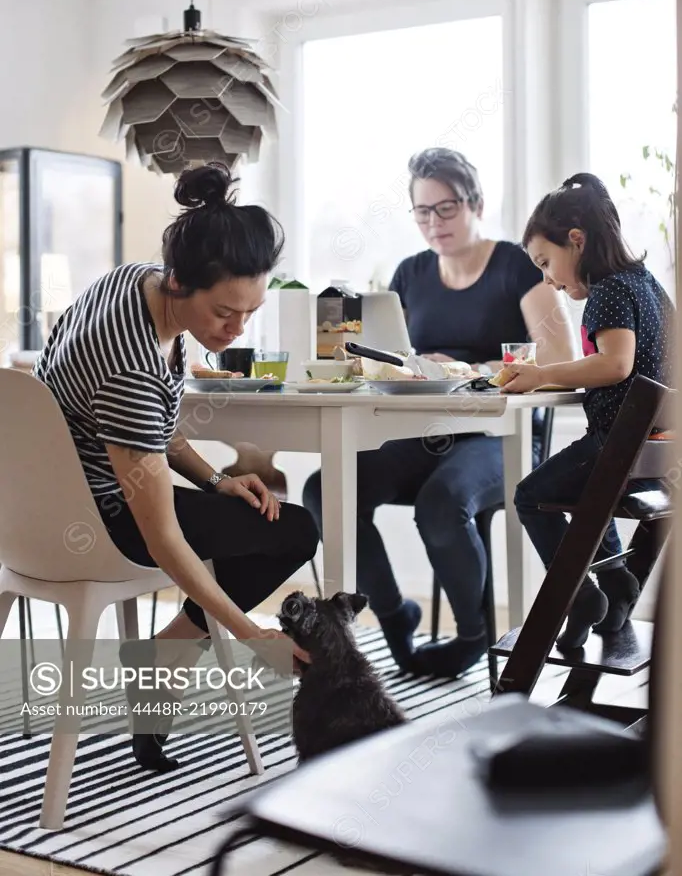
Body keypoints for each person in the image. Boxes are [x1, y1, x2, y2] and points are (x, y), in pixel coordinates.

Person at [33, 162, 318, 770]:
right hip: (94, 519)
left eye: (249, 312)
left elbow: (152, 431)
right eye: (224, 313)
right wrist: (250, 634)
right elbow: (162, 537)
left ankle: (161, 656)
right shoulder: (130, 362)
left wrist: (216, 479)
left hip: (43, 510)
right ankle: (165, 660)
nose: (236, 328)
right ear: (180, 283)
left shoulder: (135, 283)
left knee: (261, 515)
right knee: (293, 530)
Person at [303, 148, 576, 679]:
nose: (434, 222)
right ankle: (392, 614)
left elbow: (561, 356)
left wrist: (468, 365)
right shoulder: (410, 273)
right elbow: (391, 359)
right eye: (423, 211)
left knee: (441, 502)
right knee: (324, 490)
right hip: (424, 432)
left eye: (446, 208)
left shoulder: (516, 266)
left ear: (474, 203)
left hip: (502, 437)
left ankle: (473, 637)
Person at [505, 172, 673, 650]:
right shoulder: (646, 285)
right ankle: (618, 583)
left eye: (546, 262)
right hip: (656, 457)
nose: (548, 279)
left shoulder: (610, 290)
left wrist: (541, 374)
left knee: (531, 496)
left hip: (621, 447)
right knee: (587, 493)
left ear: (576, 241)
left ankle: (581, 597)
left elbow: (615, 364)